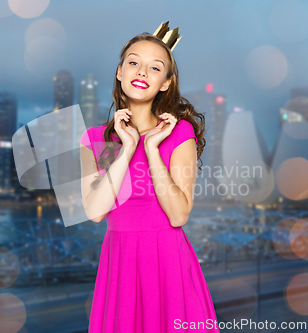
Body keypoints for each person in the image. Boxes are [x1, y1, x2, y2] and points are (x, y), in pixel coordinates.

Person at [80, 22, 220, 333]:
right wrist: (127, 147)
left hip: (168, 262)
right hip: (120, 264)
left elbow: (178, 214)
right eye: (133, 62)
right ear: (120, 72)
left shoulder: (179, 133)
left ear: (166, 83)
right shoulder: (94, 139)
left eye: (154, 68)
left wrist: (152, 148)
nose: (141, 72)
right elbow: (94, 211)